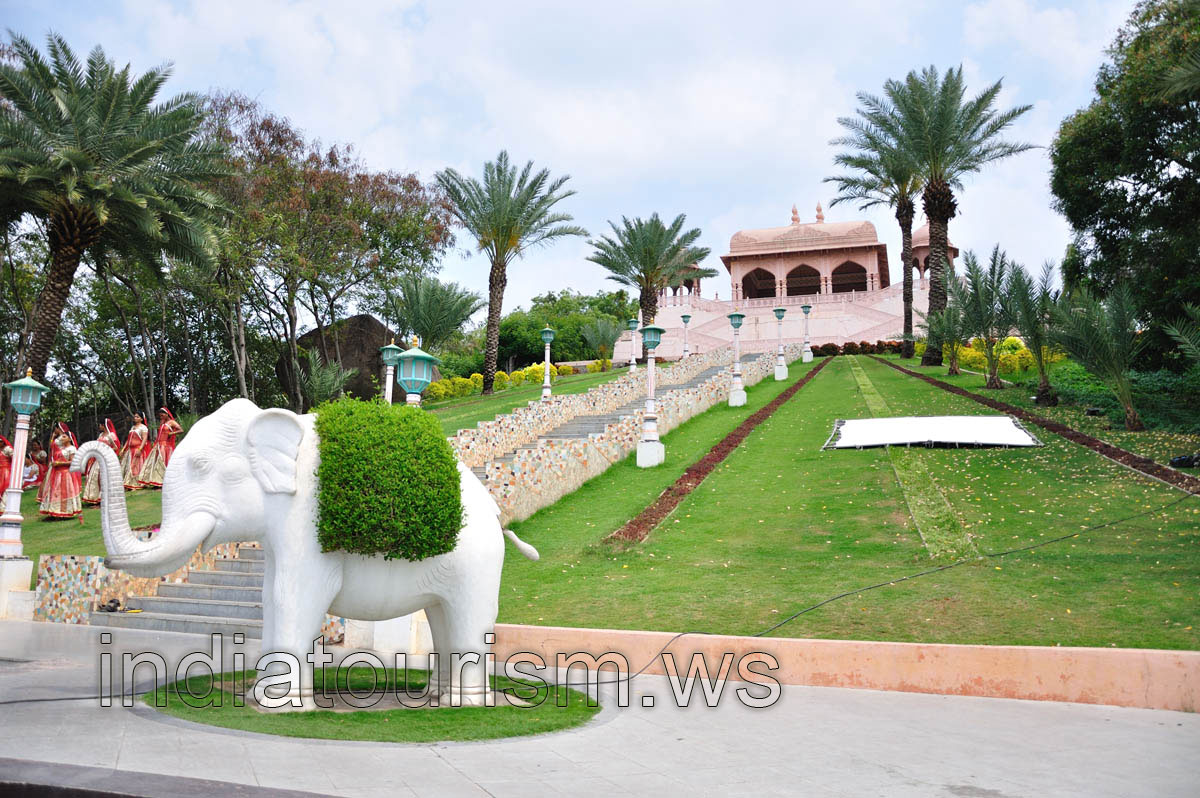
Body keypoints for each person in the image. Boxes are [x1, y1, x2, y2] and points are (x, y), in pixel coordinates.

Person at [40, 422, 81, 519]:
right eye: (61, 437)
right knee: (55, 491)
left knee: (65, 492)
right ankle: (54, 511)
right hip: (57, 473)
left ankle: (65, 511)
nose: (61, 439)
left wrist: (59, 464)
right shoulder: (61, 449)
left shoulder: (72, 449)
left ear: (69, 439)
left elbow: (72, 462)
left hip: (66, 474)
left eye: (64, 437)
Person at [139, 408, 183, 489]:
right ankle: (157, 482)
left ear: (167, 414)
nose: (161, 417)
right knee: (156, 463)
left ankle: (163, 483)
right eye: (160, 416)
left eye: (162, 415)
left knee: (162, 463)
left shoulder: (172, 422)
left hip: (166, 446)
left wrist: (172, 433)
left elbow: (181, 430)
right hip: (159, 445)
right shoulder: (162, 422)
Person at [81, 419, 122, 505]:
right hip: (98, 460)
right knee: (95, 478)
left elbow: (116, 447)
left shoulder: (111, 435)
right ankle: (96, 498)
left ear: (104, 425)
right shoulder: (100, 435)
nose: (99, 426)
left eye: (100, 425)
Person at [121, 413, 149, 490]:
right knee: (129, 467)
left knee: (136, 467)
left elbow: (144, 439)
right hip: (130, 450)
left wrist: (140, 449)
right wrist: (123, 449)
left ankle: (136, 484)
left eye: (137, 417)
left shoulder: (143, 428)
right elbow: (128, 440)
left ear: (141, 419)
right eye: (135, 417)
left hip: (137, 449)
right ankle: (129, 483)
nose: (135, 418)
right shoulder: (133, 427)